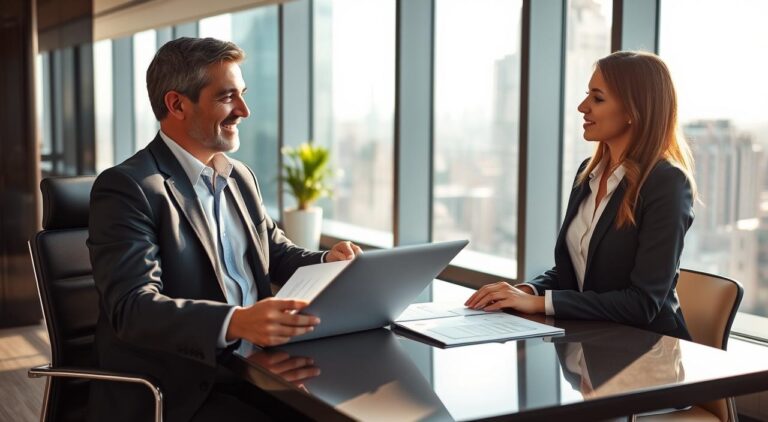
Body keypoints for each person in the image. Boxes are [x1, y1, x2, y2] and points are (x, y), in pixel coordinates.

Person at [87, 37, 362, 422]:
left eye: (243, 95)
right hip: (185, 389)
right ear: (177, 104)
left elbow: (275, 252)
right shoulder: (129, 188)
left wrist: (326, 260)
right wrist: (235, 321)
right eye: (226, 97)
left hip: (260, 368)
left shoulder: (238, 176)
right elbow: (132, 307)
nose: (244, 110)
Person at [465, 51, 696, 340]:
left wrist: (539, 303)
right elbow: (574, 273)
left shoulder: (667, 183)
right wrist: (524, 291)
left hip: (648, 350)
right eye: (588, 95)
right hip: (592, 339)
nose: (582, 107)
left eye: (597, 98)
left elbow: (643, 304)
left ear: (632, 111)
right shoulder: (588, 173)